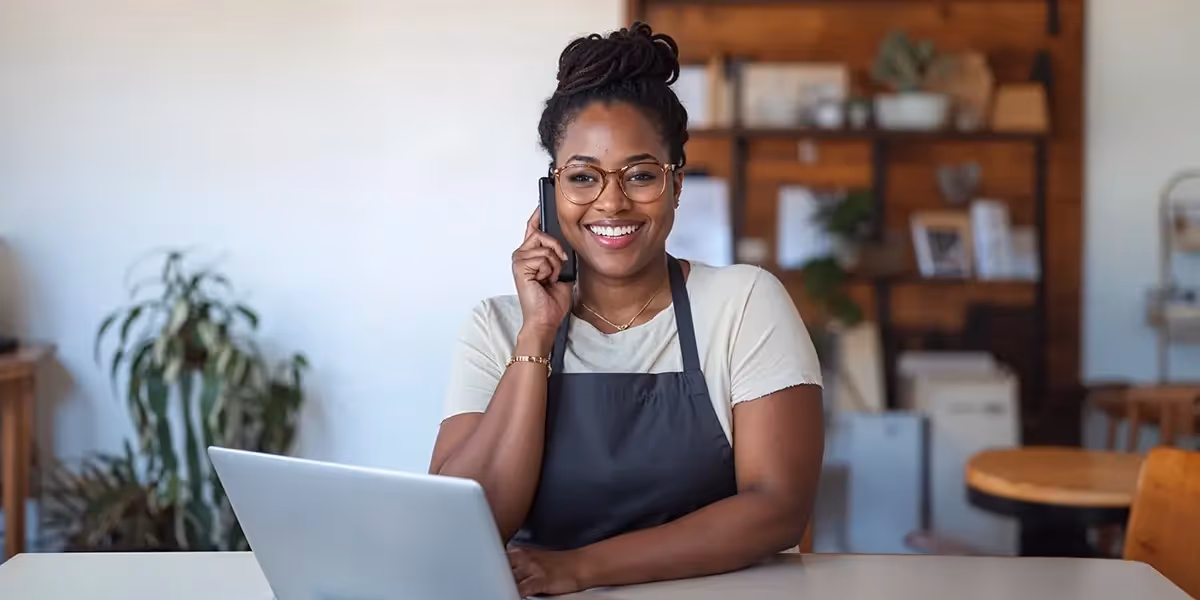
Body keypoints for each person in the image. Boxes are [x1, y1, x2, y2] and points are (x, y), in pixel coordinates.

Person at [430, 22, 824, 597]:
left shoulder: (743, 305)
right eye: (583, 177)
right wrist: (536, 335)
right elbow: (462, 524)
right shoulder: (497, 327)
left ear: (677, 186)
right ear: (551, 194)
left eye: (640, 175)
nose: (611, 201)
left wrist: (579, 569)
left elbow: (777, 507)